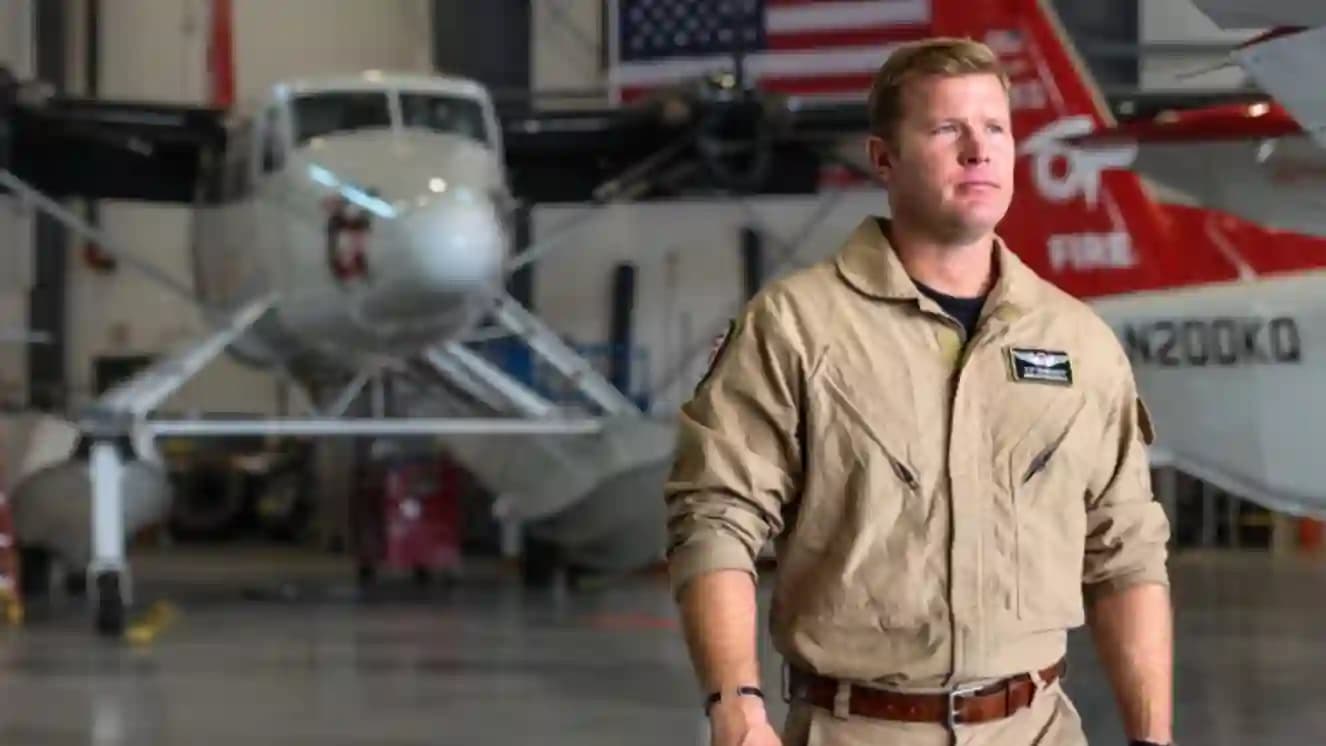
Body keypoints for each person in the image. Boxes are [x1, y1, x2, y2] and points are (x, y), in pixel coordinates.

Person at [663, 37, 1173, 746]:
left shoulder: (1078, 343)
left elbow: (1127, 553)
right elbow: (715, 518)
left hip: (1037, 731)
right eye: (946, 129)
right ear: (883, 158)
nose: (979, 151)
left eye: (995, 128)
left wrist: (1152, 737)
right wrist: (736, 705)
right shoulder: (797, 328)